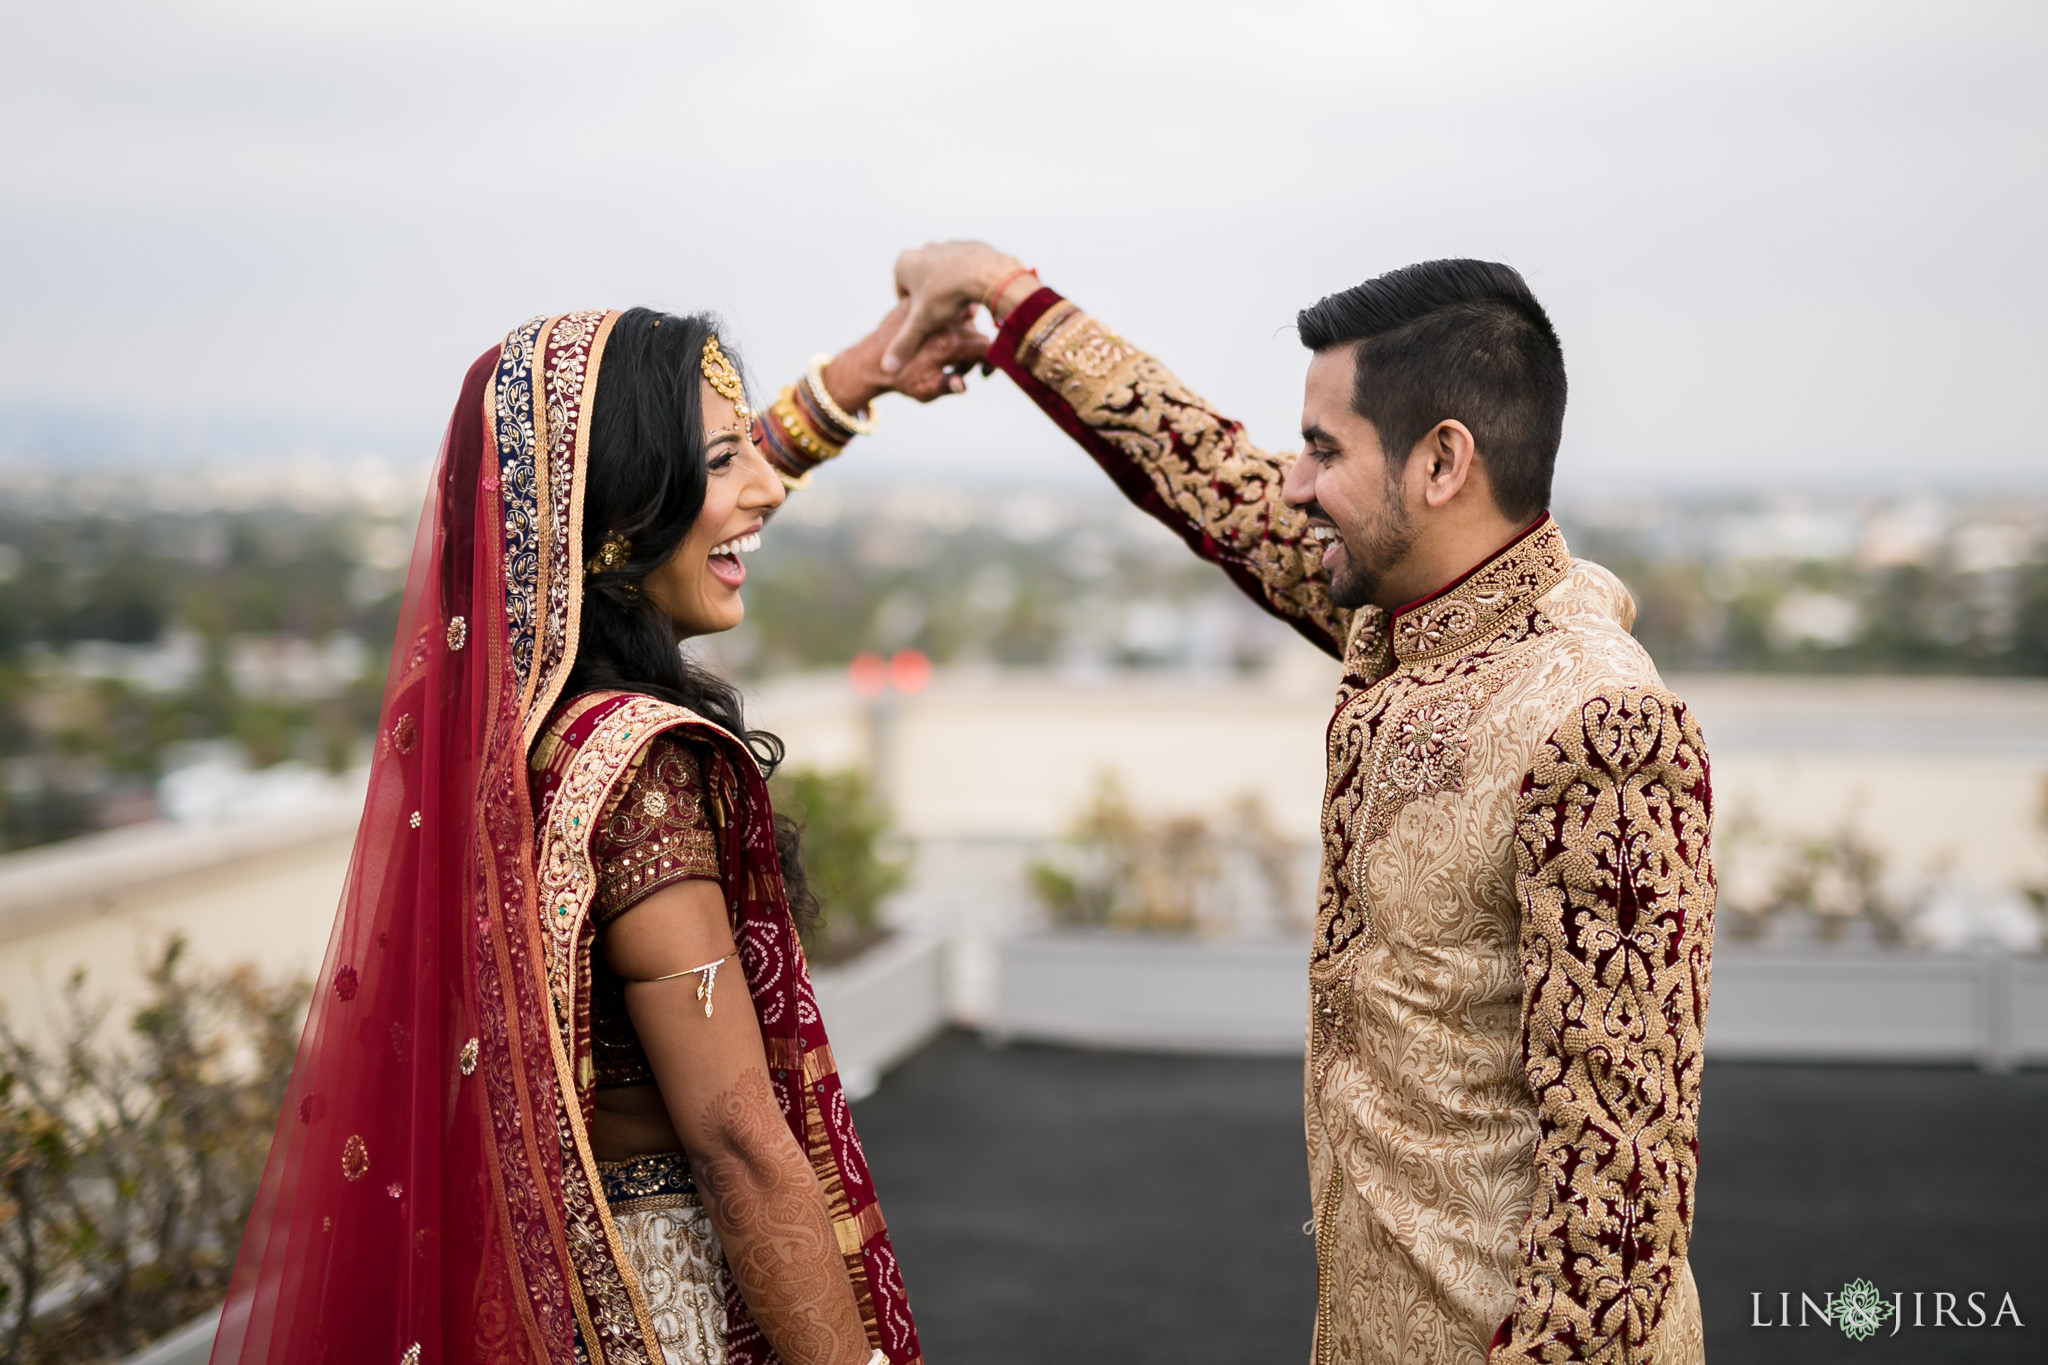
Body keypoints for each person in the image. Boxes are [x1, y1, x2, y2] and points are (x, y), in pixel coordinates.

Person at [885, 246, 1713, 1365]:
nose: (1290, 480)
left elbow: (1617, 1209)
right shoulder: (1406, 616)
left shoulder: (1595, 724)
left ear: (1440, 463)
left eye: (1322, 450)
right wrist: (1005, 292)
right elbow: (1205, 474)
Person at [210, 300, 984, 1365]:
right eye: (723, 458)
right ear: (618, 512)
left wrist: (850, 385)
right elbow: (734, 1142)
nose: (763, 489)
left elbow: (699, 496)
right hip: (651, 1307)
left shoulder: (519, 740)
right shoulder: (643, 767)